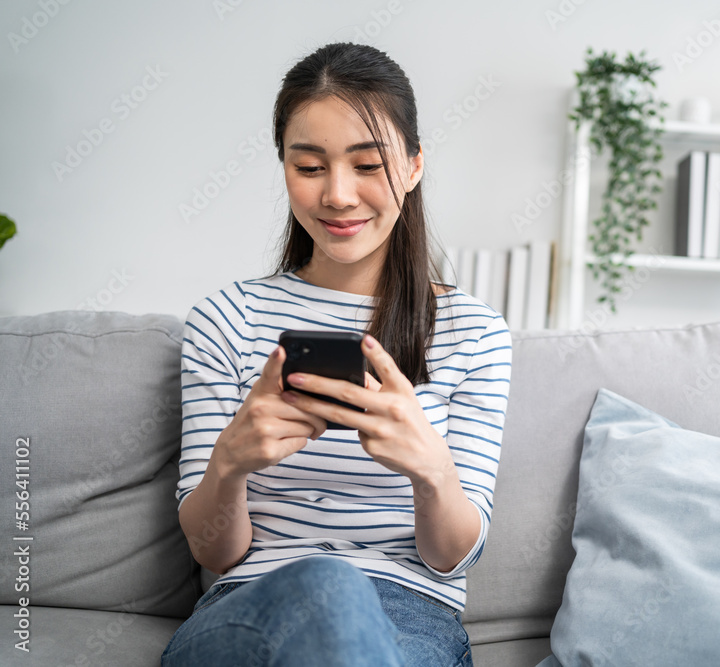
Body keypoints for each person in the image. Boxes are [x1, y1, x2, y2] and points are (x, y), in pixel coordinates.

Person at [161, 42, 512, 667]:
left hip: (409, 615)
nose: (339, 196)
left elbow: (451, 556)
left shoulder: (472, 332)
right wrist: (231, 464)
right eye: (311, 167)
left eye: (368, 165)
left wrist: (431, 470)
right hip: (250, 604)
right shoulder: (228, 318)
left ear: (412, 166)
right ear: (285, 170)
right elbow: (215, 554)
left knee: (343, 601)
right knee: (326, 586)